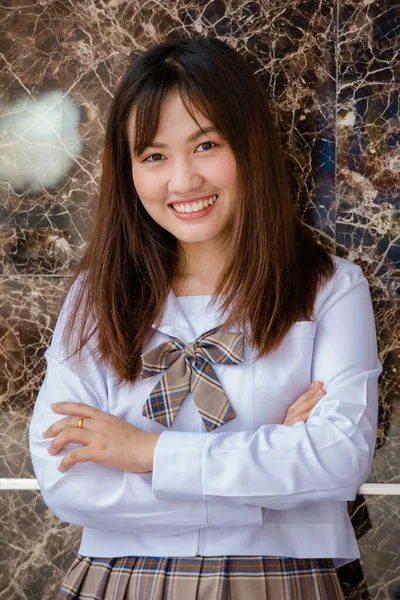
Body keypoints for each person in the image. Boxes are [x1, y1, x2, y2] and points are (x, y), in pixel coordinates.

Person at [28, 37, 382, 600]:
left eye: (206, 145)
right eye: (154, 156)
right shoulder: (94, 297)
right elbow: (68, 483)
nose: (183, 181)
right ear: (128, 172)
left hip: (283, 582)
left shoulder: (330, 288)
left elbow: (337, 460)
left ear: (250, 145)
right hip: (117, 583)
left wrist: (146, 454)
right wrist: (270, 470)